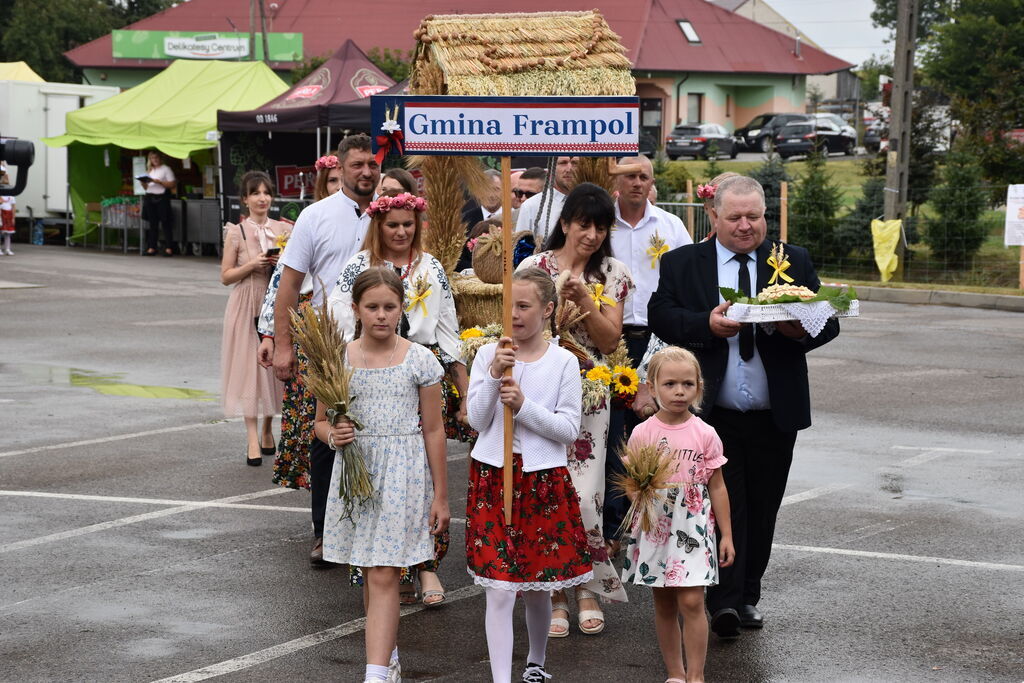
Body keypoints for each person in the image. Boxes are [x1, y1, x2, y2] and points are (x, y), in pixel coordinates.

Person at [648, 174, 840, 638]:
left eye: (754, 216)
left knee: (764, 507)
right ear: (714, 217)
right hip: (713, 415)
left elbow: (827, 321)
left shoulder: (792, 261)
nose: (745, 225)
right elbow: (661, 315)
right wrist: (705, 325)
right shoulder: (683, 263)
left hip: (776, 415)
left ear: (765, 217)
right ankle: (725, 602)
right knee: (721, 506)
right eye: (734, 217)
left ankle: (748, 593)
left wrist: (799, 329)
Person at [327, 190, 465, 605]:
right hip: (367, 367)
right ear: (378, 227)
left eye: (408, 224)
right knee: (372, 499)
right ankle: (377, 581)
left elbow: (446, 323)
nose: (402, 231)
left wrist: (462, 379)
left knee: (418, 479)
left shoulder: (431, 265)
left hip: (419, 366)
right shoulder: (360, 266)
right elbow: (337, 312)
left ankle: (426, 568)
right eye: (393, 225)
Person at [317, 267, 449, 683]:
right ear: (355, 309)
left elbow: (434, 429)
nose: (380, 315)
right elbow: (319, 424)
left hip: (403, 473)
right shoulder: (338, 358)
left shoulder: (420, 359)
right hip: (358, 474)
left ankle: (374, 674)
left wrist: (441, 496)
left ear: (401, 309)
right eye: (371, 307)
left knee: (384, 571)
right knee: (369, 572)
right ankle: (386, 656)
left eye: (389, 307)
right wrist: (334, 435)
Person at [466, 267, 592, 683]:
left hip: (541, 481)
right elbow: (477, 420)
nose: (515, 316)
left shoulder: (562, 363)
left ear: (548, 309)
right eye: (509, 307)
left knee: (538, 583)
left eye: (524, 306)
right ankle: (502, 679)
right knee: (500, 588)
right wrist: (492, 377)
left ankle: (536, 661)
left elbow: (568, 430)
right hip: (493, 478)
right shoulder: (488, 355)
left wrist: (523, 406)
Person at [517, 182, 633, 635]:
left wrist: (585, 299)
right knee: (544, 490)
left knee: (586, 496)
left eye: (601, 227)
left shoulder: (614, 273)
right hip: (540, 388)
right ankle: (554, 592)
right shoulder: (535, 266)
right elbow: (520, 320)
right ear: (564, 223)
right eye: (584, 224)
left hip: (590, 393)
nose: (592, 234)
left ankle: (587, 585)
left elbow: (610, 341)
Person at [269, 134, 380, 565]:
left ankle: (372, 525)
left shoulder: (391, 214)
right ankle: (324, 533)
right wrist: (283, 346)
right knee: (328, 436)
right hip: (331, 343)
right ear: (342, 168)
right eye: (357, 165)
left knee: (377, 431)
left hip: (386, 338)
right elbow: (289, 287)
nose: (366, 172)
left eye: (372, 164)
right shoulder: (315, 217)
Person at [621, 345, 734, 683]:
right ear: (652, 387)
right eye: (670, 384)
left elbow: (717, 487)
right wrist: (639, 499)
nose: (679, 391)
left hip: (694, 526)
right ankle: (675, 673)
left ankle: (696, 676)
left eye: (687, 384)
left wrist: (726, 535)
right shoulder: (644, 432)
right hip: (656, 526)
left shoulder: (705, 433)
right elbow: (632, 482)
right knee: (665, 604)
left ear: (698, 387)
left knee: (692, 601)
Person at [605, 155, 693, 545]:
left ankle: (654, 513)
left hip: (658, 337)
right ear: (617, 181)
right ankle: (615, 517)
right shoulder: (602, 225)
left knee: (654, 426)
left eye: (644, 176)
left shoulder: (671, 225)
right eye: (630, 176)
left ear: (651, 182)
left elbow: (691, 276)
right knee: (611, 428)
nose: (637, 183)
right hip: (610, 335)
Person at [257, 153, 345, 488]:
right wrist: (271, 336)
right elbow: (283, 283)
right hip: (311, 327)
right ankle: (321, 506)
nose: (339, 186)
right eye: (332, 181)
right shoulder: (314, 218)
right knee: (313, 413)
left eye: (341, 179)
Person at [220, 171, 289, 465]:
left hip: (274, 300)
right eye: (256, 193)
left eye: (266, 192)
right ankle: (252, 438)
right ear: (245, 199)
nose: (262, 198)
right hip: (245, 302)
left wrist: (277, 261)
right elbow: (225, 277)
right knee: (249, 369)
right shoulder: (237, 231)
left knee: (274, 369)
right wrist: (253, 264)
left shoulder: (284, 228)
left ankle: (267, 427)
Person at [516, 156, 579, 248]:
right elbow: (520, 251)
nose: (569, 169)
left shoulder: (594, 203)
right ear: (551, 168)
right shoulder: (531, 206)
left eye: (575, 163)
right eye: (563, 163)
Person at [140, 150, 176, 257]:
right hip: (150, 196)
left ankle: (169, 247)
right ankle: (152, 247)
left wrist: (159, 182)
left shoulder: (166, 169)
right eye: (152, 158)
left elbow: (172, 184)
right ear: (149, 160)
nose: (154, 160)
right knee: (152, 223)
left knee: (166, 222)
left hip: (162, 197)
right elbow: (147, 187)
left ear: (160, 158)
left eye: (156, 158)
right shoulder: (150, 170)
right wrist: (143, 183)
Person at [1, 173, 15, 256]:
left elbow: (13, 206)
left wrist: (13, 218)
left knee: (8, 233)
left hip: (8, 214)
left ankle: (7, 249)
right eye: (3, 178)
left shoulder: (11, 194)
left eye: (7, 178)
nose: (5, 180)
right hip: (1, 213)